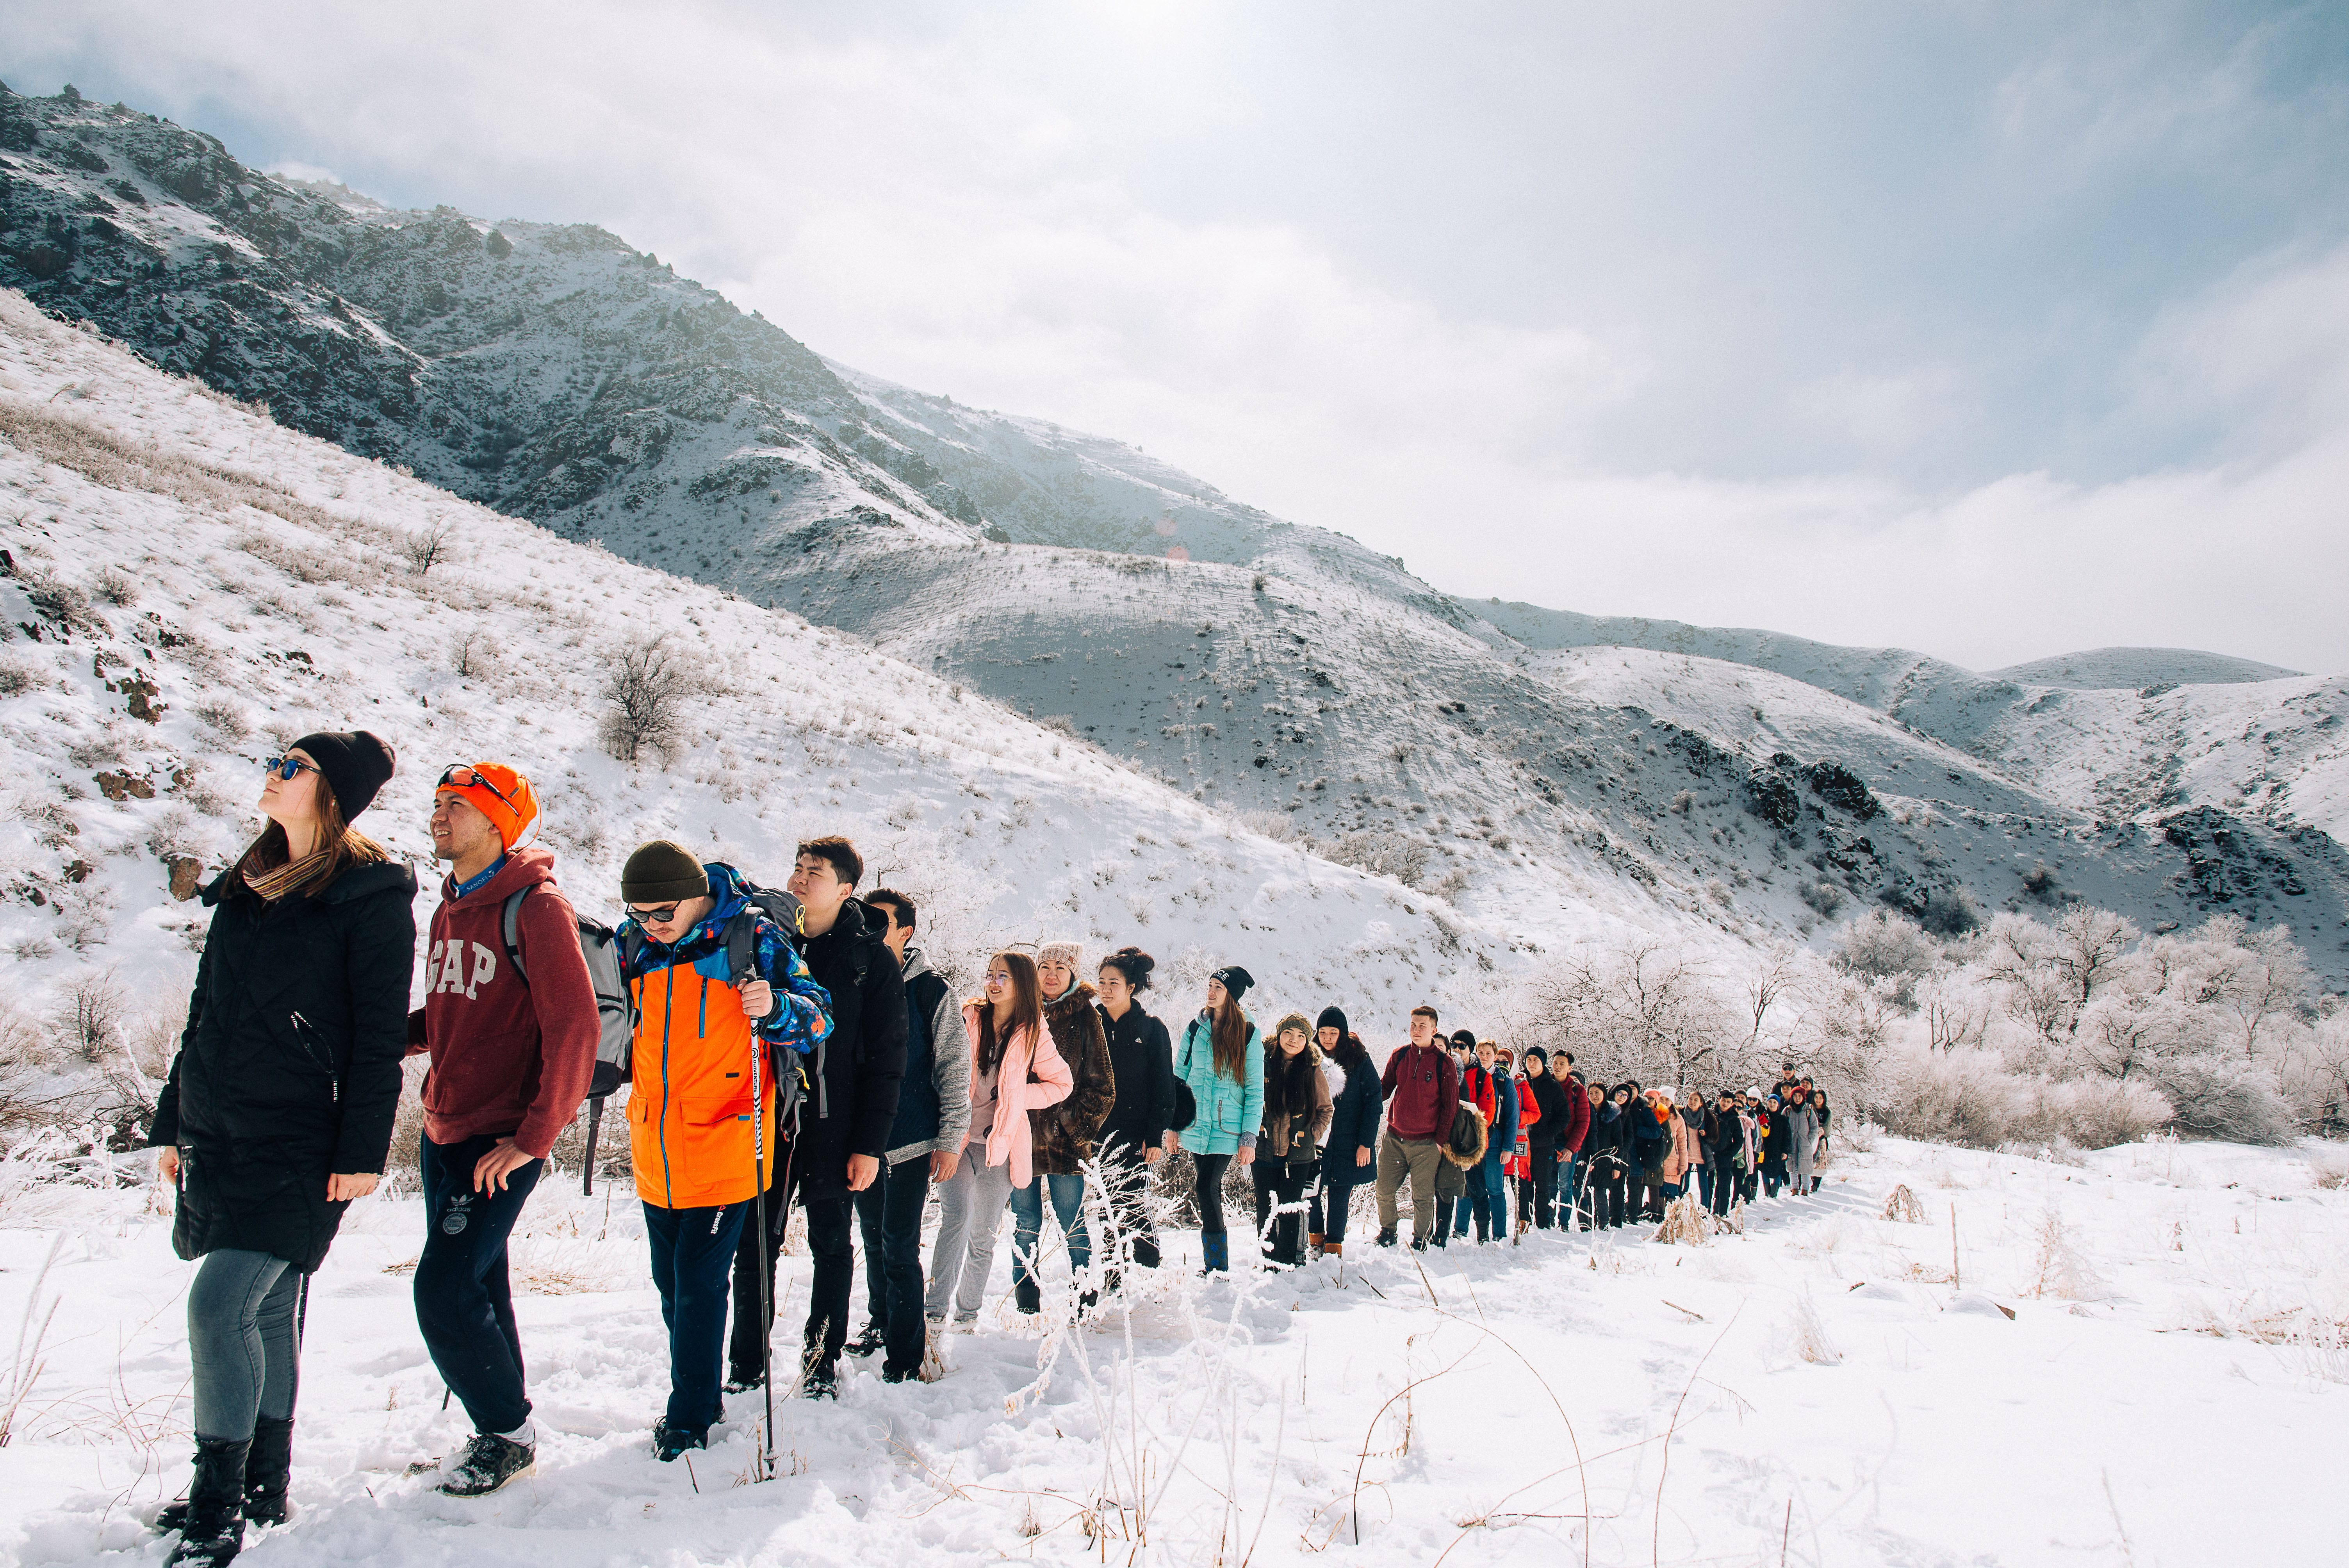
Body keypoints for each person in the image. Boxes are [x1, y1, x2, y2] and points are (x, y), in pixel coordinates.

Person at [151, 733, 411, 1567]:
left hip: (301, 1136)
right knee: (263, 1310)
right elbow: (207, 1011)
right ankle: (264, 1486)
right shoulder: (249, 883)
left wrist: (363, 1148)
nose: (274, 770)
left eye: (294, 765)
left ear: (332, 791)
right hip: (221, 1129)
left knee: (218, 1306)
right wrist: (172, 1120)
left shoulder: (369, 897)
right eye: (276, 758)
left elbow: (377, 1038)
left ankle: (215, 1507)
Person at [407, 761, 596, 1497]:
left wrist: (534, 1138)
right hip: (442, 1128)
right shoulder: (450, 906)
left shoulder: (538, 909)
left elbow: (574, 1026)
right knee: (482, 1286)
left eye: (455, 805)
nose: (439, 815)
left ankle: (508, 1430)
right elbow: (455, 1010)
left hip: (499, 1141)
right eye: (437, 804)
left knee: (444, 1293)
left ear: (497, 822)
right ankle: (501, 1431)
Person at [615, 841, 832, 1460]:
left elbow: (822, 1017)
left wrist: (779, 1007)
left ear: (694, 896)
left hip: (731, 1139)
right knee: (668, 1281)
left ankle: (687, 1419)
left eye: (662, 913)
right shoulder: (639, 949)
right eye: (640, 915)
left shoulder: (750, 936)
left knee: (699, 1283)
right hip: (656, 1144)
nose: (652, 926)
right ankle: (703, 1392)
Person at [730, 837, 905, 1401]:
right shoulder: (768, 943)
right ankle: (746, 1362)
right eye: (798, 868)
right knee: (755, 1242)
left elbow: (888, 1058)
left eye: (817, 872)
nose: (802, 879)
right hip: (767, 1118)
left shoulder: (868, 959)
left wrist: (870, 1146)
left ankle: (821, 1359)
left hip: (837, 1124)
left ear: (847, 888)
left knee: (831, 1243)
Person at [846, 889, 967, 1383]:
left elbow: (955, 1067)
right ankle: (881, 1321)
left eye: (881, 921)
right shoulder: (853, 977)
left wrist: (950, 1137)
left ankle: (906, 1353)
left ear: (905, 932)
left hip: (913, 1138)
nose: (869, 928)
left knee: (899, 1244)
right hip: (861, 1141)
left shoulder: (930, 990)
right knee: (872, 1239)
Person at [926, 953, 1072, 1322]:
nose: (993, 983)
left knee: (983, 1233)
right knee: (955, 1220)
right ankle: (934, 1311)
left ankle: (967, 1314)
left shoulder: (1034, 1031)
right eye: (990, 975)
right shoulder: (968, 1017)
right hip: (956, 1140)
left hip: (1001, 1146)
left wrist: (1018, 1097)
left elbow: (1061, 1083)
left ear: (1021, 984)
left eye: (1003, 976)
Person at [1011, 941, 1115, 1314]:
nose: (1051, 975)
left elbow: (1103, 1088)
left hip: (1066, 1146)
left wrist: (1070, 1129)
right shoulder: (1018, 1010)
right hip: (1020, 1140)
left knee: (1072, 1223)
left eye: (1060, 967)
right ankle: (1025, 1304)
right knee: (1025, 1223)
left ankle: (1084, 1300)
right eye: (1045, 967)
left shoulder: (1087, 1017)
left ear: (1072, 974)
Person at [1169, 968, 1265, 1274]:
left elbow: (1255, 1089)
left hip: (1227, 1127)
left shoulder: (1249, 1034)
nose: (1211, 992)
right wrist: (1173, 1125)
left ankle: (1216, 1267)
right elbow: (1179, 1078)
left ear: (1232, 995)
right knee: (1206, 1189)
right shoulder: (1196, 1028)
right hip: (1197, 1124)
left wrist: (1249, 1136)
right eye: (1209, 986)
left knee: (1205, 1185)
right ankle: (1215, 1265)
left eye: (1219, 988)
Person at [1093, 948, 1176, 1290]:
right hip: (1095, 1133)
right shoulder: (1089, 1024)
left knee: (1131, 1200)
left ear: (1131, 987)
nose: (1106, 989)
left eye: (1114, 983)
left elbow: (1164, 1087)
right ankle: (1112, 1273)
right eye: (1102, 982)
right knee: (1103, 1203)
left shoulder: (1152, 1029)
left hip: (1136, 1134)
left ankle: (1147, 1270)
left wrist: (1155, 1135)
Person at [1374, 1007, 1460, 1249]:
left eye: (1422, 1026)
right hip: (1395, 1138)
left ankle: (1421, 1238)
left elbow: (1450, 1106)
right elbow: (1384, 1088)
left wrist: (1439, 1142)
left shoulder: (1445, 1064)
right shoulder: (1400, 1056)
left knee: (1422, 1197)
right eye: (1413, 1025)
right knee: (1383, 1189)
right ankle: (1388, 1231)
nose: (1416, 1030)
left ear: (1434, 1030)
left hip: (1426, 1144)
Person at [1252, 1014, 1333, 1266]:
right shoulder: (1261, 1063)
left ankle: (1289, 1261)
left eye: (1301, 1036)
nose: (1293, 1040)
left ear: (1307, 1042)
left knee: (1290, 1208)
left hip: (1297, 1156)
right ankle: (1268, 1259)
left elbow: (1326, 1109)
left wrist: (1312, 1136)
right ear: (1279, 1035)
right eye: (1288, 1033)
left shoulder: (1312, 1069)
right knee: (1266, 1209)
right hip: (1264, 1151)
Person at [1311, 1010, 1381, 1258]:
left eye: (1333, 1033)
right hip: (1316, 1137)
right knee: (1311, 1191)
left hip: (1348, 1138)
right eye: (1323, 1033)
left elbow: (1374, 1101)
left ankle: (1334, 1248)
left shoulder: (1358, 1058)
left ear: (1342, 1033)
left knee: (1340, 1193)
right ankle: (1316, 1239)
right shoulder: (1309, 1057)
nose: (1327, 1038)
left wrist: (1366, 1143)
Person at [1454, 1040, 1515, 1245]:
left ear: (1495, 1056)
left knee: (1494, 1187)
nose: (1484, 1056)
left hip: (1495, 1138)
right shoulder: (1472, 1073)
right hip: (1471, 1137)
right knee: (1468, 1186)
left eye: (1488, 1053)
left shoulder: (1503, 1081)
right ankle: (1460, 1229)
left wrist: (1508, 1147)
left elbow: (1512, 1117)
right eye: (1480, 1052)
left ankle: (1499, 1233)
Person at [1522, 1048, 1568, 1231]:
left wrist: (1549, 1132)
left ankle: (1542, 1223)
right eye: (1529, 1060)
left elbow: (1564, 1116)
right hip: (1522, 1143)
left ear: (1543, 1063)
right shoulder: (1520, 1082)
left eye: (1536, 1060)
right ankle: (1523, 1220)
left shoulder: (1552, 1086)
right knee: (1523, 1186)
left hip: (1544, 1145)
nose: (1532, 1063)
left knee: (1542, 1186)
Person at [1502, 1047, 1541, 1239]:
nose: (1502, 1064)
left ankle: (1523, 1220)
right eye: (1498, 1060)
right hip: (1495, 1140)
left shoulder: (1521, 1085)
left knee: (1519, 1184)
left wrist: (1516, 1118)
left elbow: (1535, 1114)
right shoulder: (1490, 1080)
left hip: (1517, 1141)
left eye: (1506, 1062)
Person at [1581, 1086, 1630, 1229]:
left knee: (1600, 1193)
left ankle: (1603, 1224)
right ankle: (1585, 1225)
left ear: (1605, 1094)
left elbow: (1619, 1142)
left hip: (1605, 1160)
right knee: (1584, 1192)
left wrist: (1617, 1166)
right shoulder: (1585, 1111)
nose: (1594, 1096)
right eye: (1591, 1093)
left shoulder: (1612, 1114)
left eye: (1597, 1093)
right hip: (1586, 1157)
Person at [1627, 1087, 1674, 1221]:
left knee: (1654, 1186)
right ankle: (1637, 1209)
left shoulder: (1662, 1117)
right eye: (1647, 1098)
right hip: (1642, 1153)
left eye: (1652, 1099)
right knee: (1639, 1184)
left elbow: (1669, 1141)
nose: (1648, 1101)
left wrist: (1661, 1158)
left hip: (1655, 1156)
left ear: (1656, 1102)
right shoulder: (1641, 1112)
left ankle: (1655, 1212)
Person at [1708, 1090, 1746, 1215]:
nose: (1725, 1104)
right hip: (1709, 1155)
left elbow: (1739, 1140)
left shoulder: (1734, 1119)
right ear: (1719, 1100)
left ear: (1731, 1104)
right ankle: (1706, 1211)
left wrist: (1730, 1154)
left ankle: (1721, 1212)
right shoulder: (1711, 1115)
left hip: (1725, 1157)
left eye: (1728, 1102)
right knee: (1708, 1186)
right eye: (1724, 1100)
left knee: (1724, 1186)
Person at [1681, 1089, 1713, 1212]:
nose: (1692, 1102)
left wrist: (1706, 1134)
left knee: (1703, 1184)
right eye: (1690, 1099)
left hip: (1702, 1155)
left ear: (1701, 1103)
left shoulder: (1707, 1117)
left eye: (1696, 1100)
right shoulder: (1682, 1115)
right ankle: (1681, 1208)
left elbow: (1714, 1136)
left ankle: (1704, 1209)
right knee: (1684, 1184)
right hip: (1686, 1155)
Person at [1786, 1087, 1820, 1199]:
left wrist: (1809, 1140)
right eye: (1795, 1096)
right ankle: (1794, 1189)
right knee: (1792, 1167)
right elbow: (1783, 1126)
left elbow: (1815, 1127)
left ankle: (1805, 1190)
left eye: (1800, 1096)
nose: (1797, 1098)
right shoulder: (1788, 1110)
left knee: (1805, 1167)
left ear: (1803, 1097)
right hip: (1791, 1143)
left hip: (1805, 1144)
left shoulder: (1808, 1111)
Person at [1757, 1094, 1789, 1197]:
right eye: (1770, 1102)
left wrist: (1785, 1151)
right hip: (1765, 1148)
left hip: (1778, 1149)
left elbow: (1787, 1136)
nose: (1772, 1105)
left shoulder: (1783, 1119)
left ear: (1778, 1105)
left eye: (1775, 1103)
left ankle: (1774, 1193)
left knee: (1777, 1169)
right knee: (1764, 1168)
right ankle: (1767, 1191)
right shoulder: (1763, 1116)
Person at [1809, 1087, 1834, 1192]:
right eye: (1817, 1097)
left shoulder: (1827, 1111)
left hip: (1821, 1140)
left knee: (1819, 1162)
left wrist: (1821, 1132)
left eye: (1821, 1098)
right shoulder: (1810, 1109)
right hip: (1810, 1138)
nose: (1818, 1100)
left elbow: (1827, 1128)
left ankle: (1816, 1184)